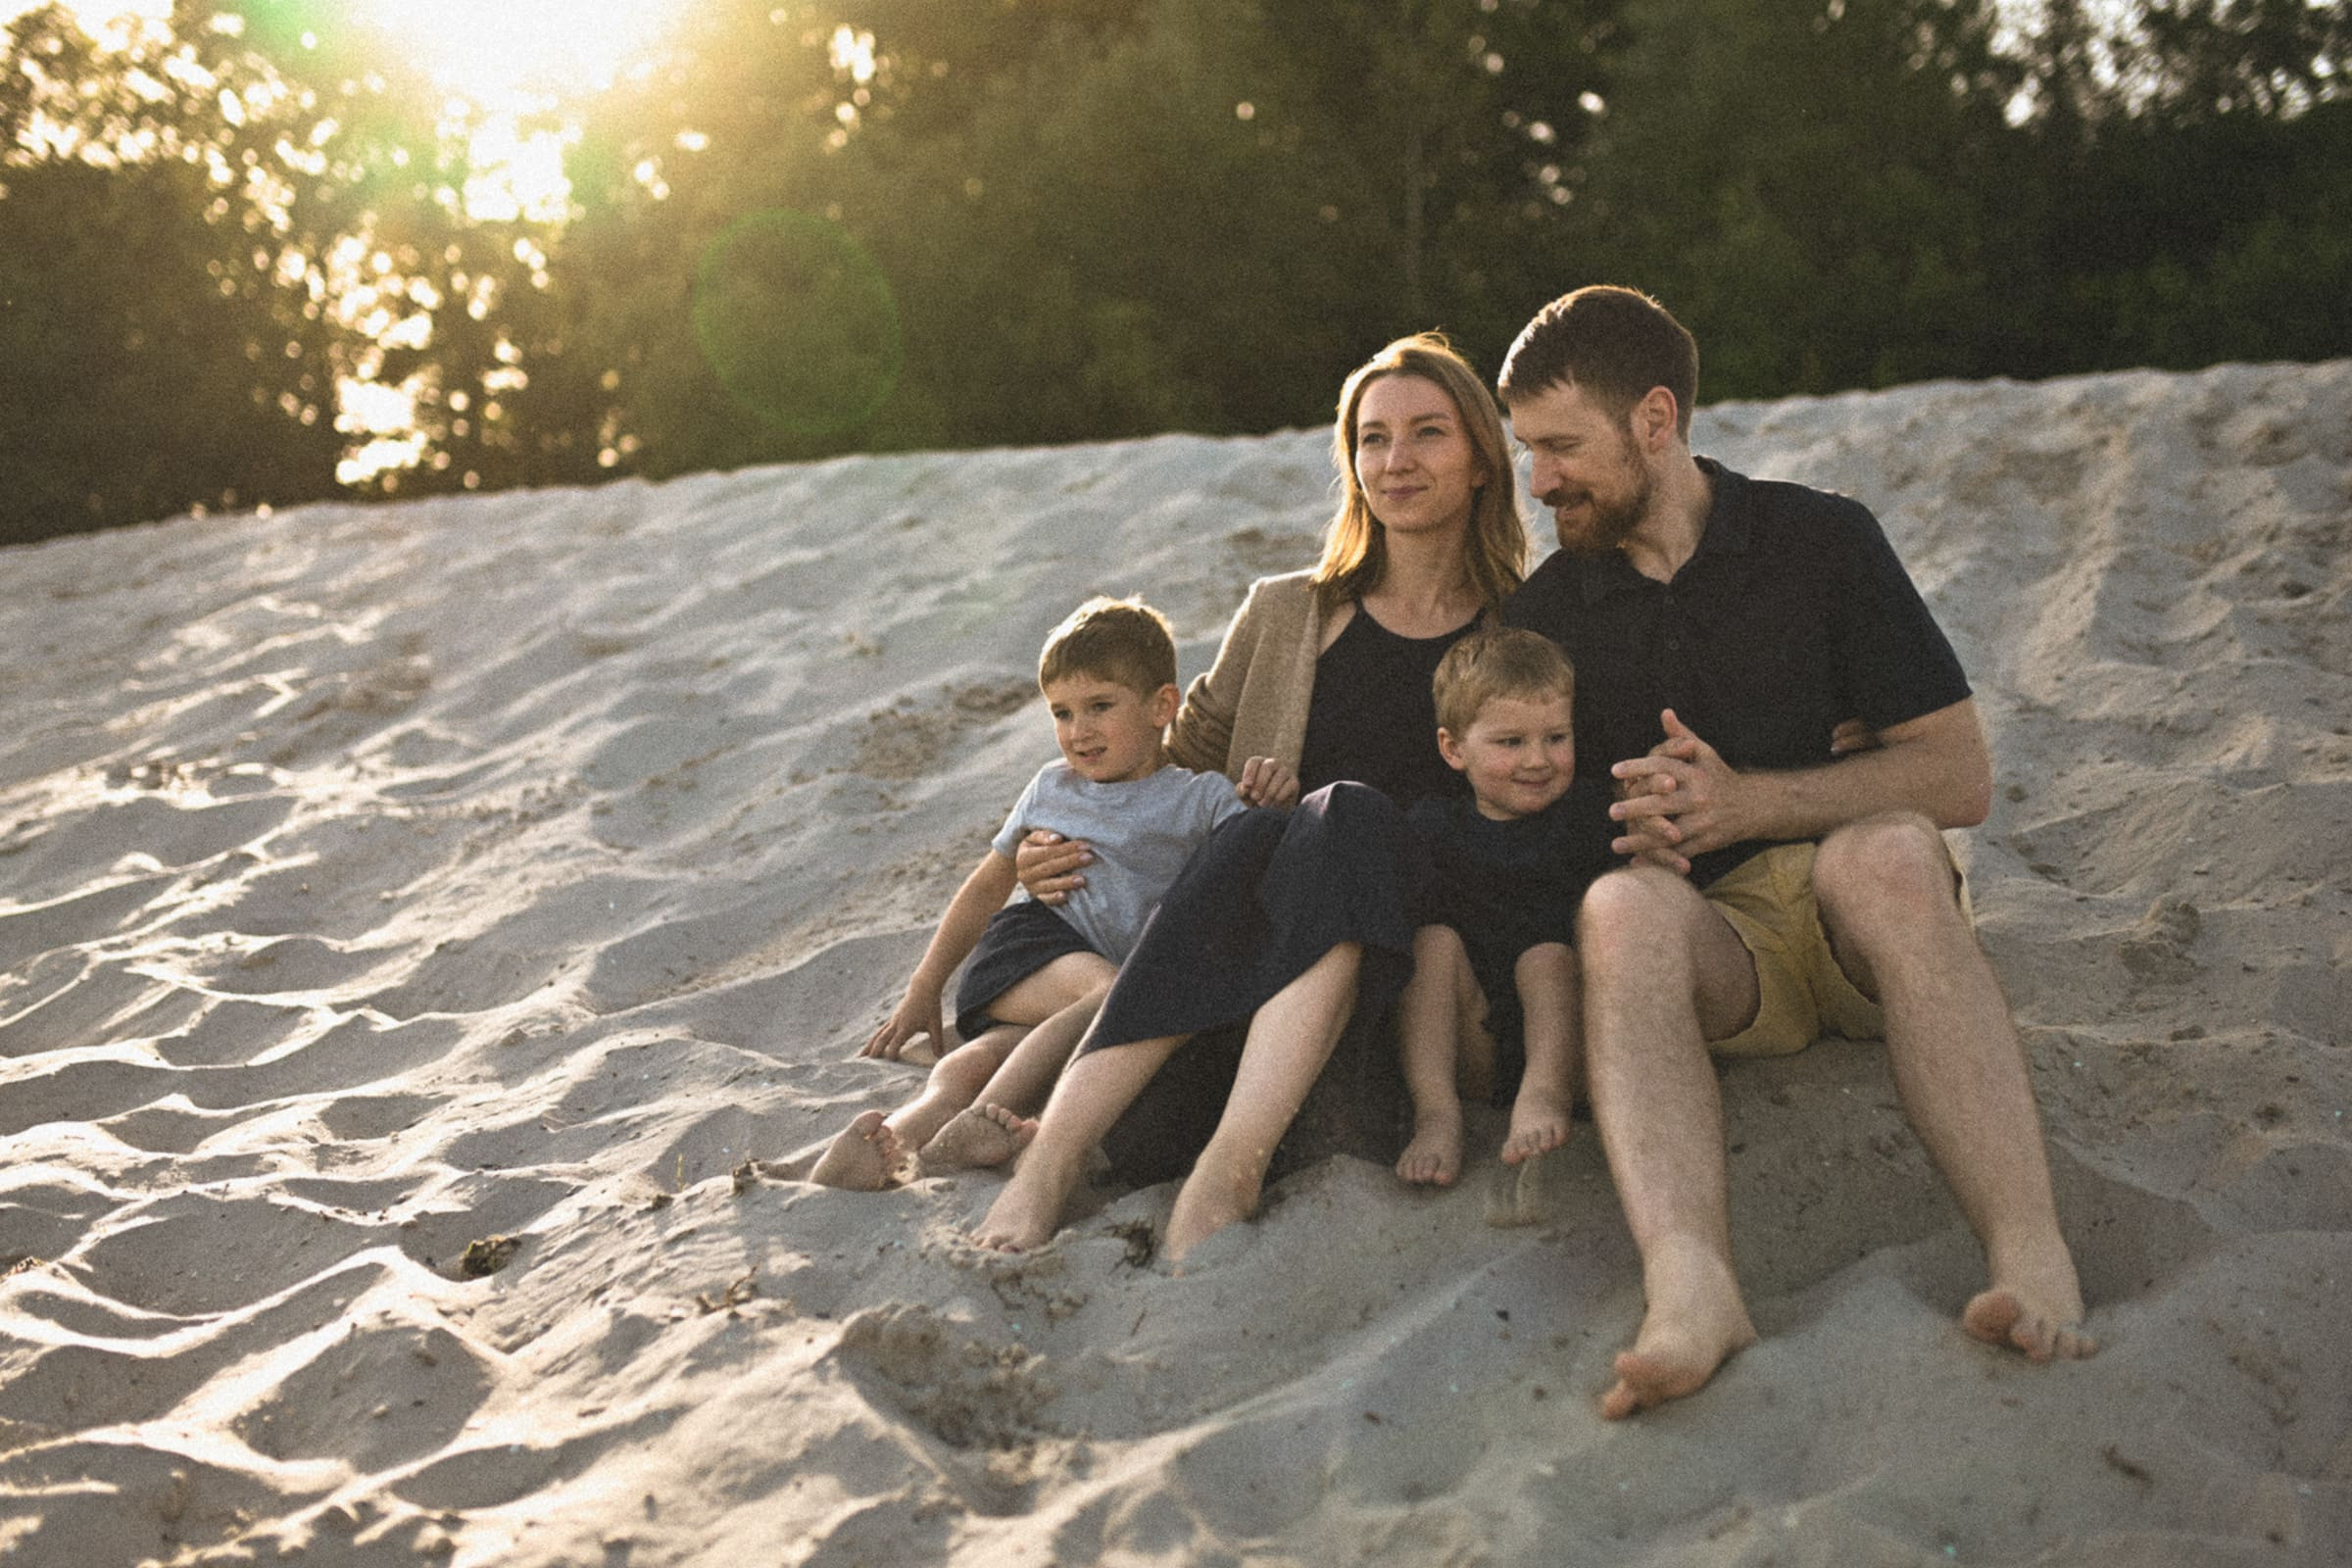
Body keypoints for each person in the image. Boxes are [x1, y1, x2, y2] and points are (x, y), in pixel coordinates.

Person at [1497, 284, 2095, 1418]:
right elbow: (1521, 810)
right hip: (1727, 952)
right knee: (1618, 911)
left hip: (1861, 913)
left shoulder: (1821, 540)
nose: (1542, 479)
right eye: (1529, 449)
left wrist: (1748, 802)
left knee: (1881, 856)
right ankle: (1693, 1285)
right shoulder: (1548, 614)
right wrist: (1622, 825)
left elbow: (1957, 774)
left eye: (1563, 446)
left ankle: (2030, 1251)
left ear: (1657, 419)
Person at [977, 332, 1529, 1261]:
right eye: (1373, 438)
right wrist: (1057, 840)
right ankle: (1050, 1167)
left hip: (1402, 994)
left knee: (1341, 813)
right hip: (1241, 978)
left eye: (1428, 433)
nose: (1396, 461)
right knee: (1251, 839)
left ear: (1481, 458)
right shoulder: (1287, 614)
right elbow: (1166, 765)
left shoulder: (1526, 629)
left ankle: (1230, 1166)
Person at [811, 596, 1294, 1190]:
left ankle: (900, 1138)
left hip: (1081, 995)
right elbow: (988, 885)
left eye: (1099, 706)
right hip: (1034, 949)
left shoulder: (1203, 799)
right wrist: (924, 986)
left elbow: (1250, 865)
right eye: (1061, 713)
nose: (1078, 731)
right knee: (1112, 994)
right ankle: (965, 1126)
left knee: (990, 1054)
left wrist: (1273, 804)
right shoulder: (1052, 788)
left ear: (1162, 706)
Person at [1395, 627, 1615, 1191]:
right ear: (1453, 749)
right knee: (1433, 944)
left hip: (1574, 1048)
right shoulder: (1433, 829)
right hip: (1478, 1044)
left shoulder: (1594, 816)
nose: (1538, 760)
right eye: (1510, 743)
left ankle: (1544, 1094)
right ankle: (1437, 1113)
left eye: (1556, 737)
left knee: (1546, 957)